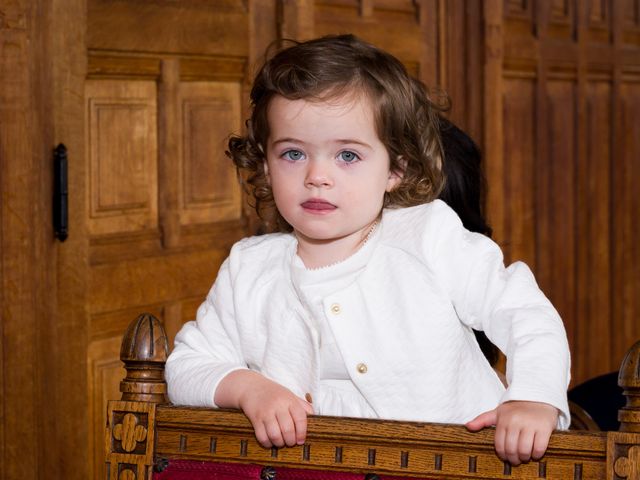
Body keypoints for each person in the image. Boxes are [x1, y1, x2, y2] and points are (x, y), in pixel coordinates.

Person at [166, 34, 571, 466]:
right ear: (265, 164)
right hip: (318, 469)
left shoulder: (427, 236)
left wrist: (532, 398)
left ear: (395, 169)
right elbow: (186, 365)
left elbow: (525, 313)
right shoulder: (249, 267)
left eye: (347, 156)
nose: (317, 176)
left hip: (457, 464)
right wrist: (246, 386)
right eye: (293, 154)